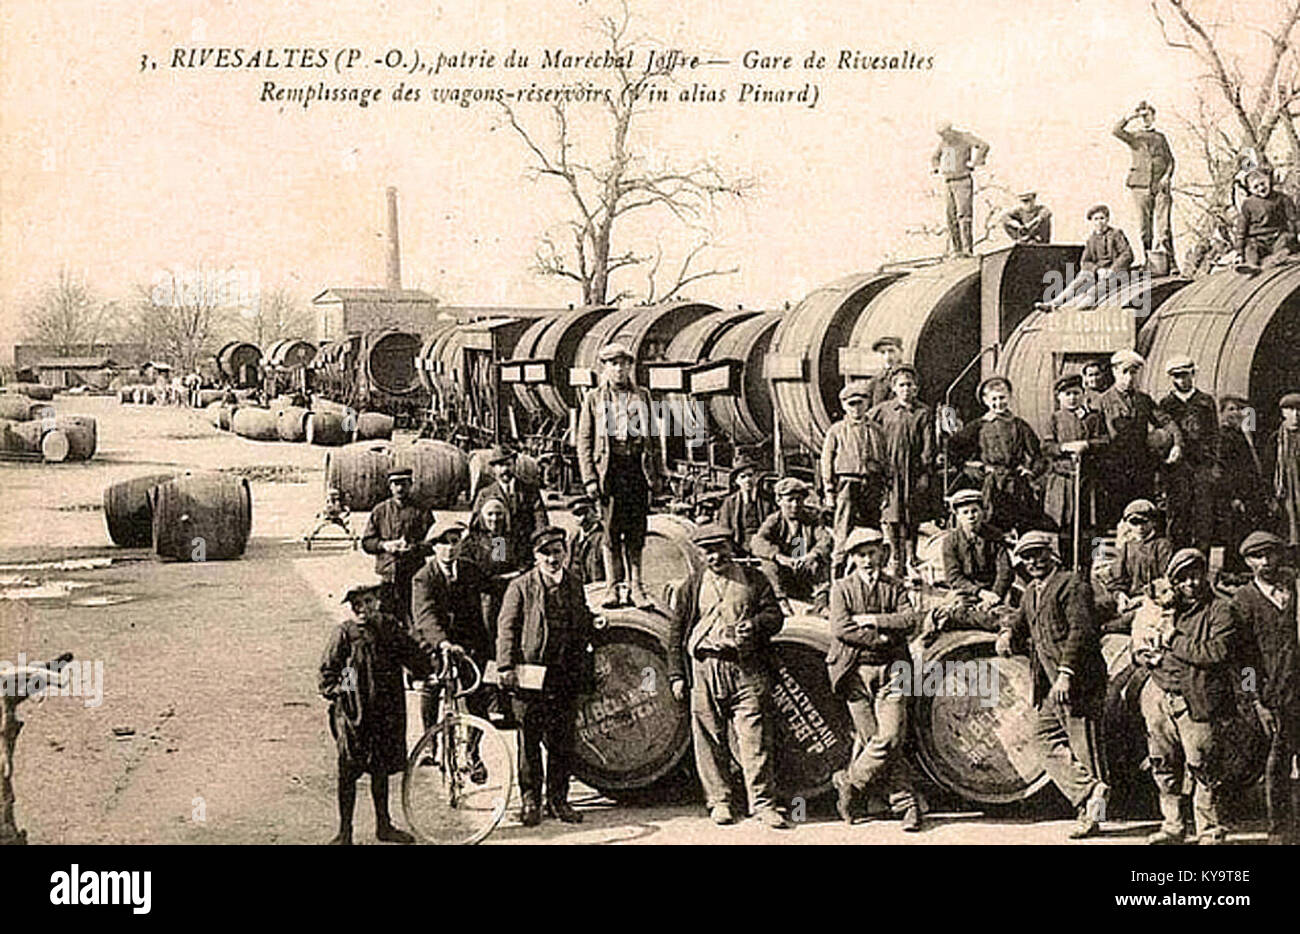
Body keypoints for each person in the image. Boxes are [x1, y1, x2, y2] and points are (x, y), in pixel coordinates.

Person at [666, 524, 790, 828]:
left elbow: (776, 617)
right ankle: (719, 801)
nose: (715, 556)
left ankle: (762, 803)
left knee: (754, 738)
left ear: (730, 548)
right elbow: (676, 632)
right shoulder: (691, 586)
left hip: (745, 667)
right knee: (708, 737)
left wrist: (756, 625)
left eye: (720, 548)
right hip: (705, 666)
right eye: (708, 551)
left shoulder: (754, 578)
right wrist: (676, 675)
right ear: (699, 554)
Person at [996, 531, 1109, 839]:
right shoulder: (1032, 590)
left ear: (1051, 554)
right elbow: (1021, 621)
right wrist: (1007, 633)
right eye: (1027, 557)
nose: (1034, 561)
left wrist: (1066, 672)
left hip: (1079, 681)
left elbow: (1081, 632)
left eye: (1038, 554)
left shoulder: (1071, 584)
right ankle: (1090, 791)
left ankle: (1093, 818)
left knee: (1086, 751)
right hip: (1051, 684)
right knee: (1041, 737)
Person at [495, 526, 596, 826]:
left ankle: (558, 800)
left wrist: (594, 624)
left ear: (565, 553)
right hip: (531, 674)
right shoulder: (521, 586)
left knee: (562, 741)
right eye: (546, 553)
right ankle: (530, 800)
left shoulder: (574, 583)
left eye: (557, 552)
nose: (553, 559)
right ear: (536, 556)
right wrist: (505, 666)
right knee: (529, 740)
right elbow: (507, 628)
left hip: (565, 674)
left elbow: (582, 621)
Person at [319, 581, 432, 845]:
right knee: (348, 770)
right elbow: (328, 673)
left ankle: (384, 825)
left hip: (386, 711)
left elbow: (412, 656)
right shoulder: (344, 634)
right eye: (356, 605)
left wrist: (426, 672)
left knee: (380, 769)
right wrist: (347, 691)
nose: (362, 609)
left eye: (368, 602)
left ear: (377, 602)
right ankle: (344, 832)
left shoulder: (390, 628)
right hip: (353, 715)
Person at [1139, 549, 1240, 845]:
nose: (1190, 584)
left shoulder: (1220, 610)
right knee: (1163, 764)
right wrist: (1143, 654)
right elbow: (1144, 637)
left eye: (1195, 575)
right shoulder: (1166, 607)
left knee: (1203, 766)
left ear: (1204, 574)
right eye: (1182, 579)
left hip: (1196, 698)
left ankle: (1209, 829)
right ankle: (1173, 826)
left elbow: (1216, 653)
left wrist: (1174, 639)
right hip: (1159, 695)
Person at [826, 528, 924, 830]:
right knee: (873, 741)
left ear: (882, 554)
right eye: (861, 555)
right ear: (853, 559)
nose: (868, 560)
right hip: (855, 672)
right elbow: (841, 628)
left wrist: (873, 620)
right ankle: (906, 805)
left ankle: (850, 782)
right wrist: (882, 639)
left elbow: (910, 620)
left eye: (872, 553)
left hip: (893, 670)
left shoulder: (894, 586)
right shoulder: (841, 588)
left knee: (891, 736)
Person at [576, 342, 662, 610]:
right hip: (610, 472)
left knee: (635, 532)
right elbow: (584, 440)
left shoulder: (643, 396)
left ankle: (636, 587)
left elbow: (654, 439)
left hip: (635, 468)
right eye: (614, 364)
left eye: (624, 364)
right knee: (611, 532)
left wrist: (658, 474)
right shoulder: (594, 398)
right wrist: (590, 477)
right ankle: (612, 586)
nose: (620, 369)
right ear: (605, 367)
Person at [1229, 530, 1299, 845]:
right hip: (1272, 696)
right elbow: (1243, 658)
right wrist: (1255, 700)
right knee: (1277, 764)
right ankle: (1280, 831)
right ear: (1247, 562)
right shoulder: (1244, 599)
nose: (1266, 562)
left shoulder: (1294, 590)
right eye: (1258, 557)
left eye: (1271, 554)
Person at [410, 520, 492, 764]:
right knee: (431, 687)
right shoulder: (424, 578)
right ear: (434, 548)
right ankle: (430, 745)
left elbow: (492, 586)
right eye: (443, 543)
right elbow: (425, 616)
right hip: (435, 644)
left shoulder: (470, 569)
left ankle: (473, 753)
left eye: (454, 542)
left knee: (476, 697)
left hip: (467, 643)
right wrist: (443, 643)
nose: (449, 548)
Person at [1095, 350, 1183, 530]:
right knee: (1113, 521)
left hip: (1141, 469)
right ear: (1114, 372)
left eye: (1134, 372)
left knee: (1142, 517)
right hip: (1113, 471)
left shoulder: (1144, 400)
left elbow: (1166, 421)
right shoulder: (1102, 402)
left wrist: (1177, 444)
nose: (1129, 378)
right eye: (1124, 372)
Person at [949, 376, 1043, 533]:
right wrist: (971, 466)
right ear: (985, 401)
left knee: (1021, 523)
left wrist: (1029, 470)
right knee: (991, 523)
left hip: (1015, 483)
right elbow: (954, 447)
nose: (999, 403)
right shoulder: (979, 426)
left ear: (1009, 397)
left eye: (1002, 398)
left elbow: (1037, 454)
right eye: (994, 399)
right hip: (990, 483)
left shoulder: (1019, 425)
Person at [869, 364, 935, 576]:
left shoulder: (923, 412)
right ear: (894, 388)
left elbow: (928, 445)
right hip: (890, 472)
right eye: (902, 385)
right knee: (892, 515)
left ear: (916, 388)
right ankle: (896, 556)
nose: (906, 389)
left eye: (910, 385)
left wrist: (925, 473)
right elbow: (866, 426)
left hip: (913, 471)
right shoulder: (883, 410)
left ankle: (911, 556)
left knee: (912, 516)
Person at [821, 379, 890, 576]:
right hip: (847, 484)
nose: (856, 408)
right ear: (844, 405)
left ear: (867, 404)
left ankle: (874, 573)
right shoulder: (837, 430)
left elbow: (884, 461)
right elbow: (826, 461)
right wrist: (829, 491)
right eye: (851, 404)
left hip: (872, 485)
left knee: (872, 530)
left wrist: (886, 489)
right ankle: (837, 575)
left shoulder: (877, 430)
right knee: (843, 530)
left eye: (860, 403)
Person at [1041, 373, 1109, 565]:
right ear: (1059, 397)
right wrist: (1064, 447)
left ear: (1083, 394)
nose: (1072, 398)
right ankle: (1066, 564)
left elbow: (1105, 441)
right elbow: (1046, 447)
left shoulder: (1093, 418)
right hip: (1063, 483)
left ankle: (1093, 564)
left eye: (1076, 393)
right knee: (1065, 526)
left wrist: (1087, 444)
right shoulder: (1054, 419)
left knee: (1092, 526)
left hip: (1088, 481)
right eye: (1067, 394)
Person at [1156, 356, 1220, 552]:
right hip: (1176, 469)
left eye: (1185, 375)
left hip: (1201, 467)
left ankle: (1201, 562)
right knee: (1177, 515)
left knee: (1203, 517)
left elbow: (1214, 435)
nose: (1182, 380)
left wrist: (1213, 465)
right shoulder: (1166, 404)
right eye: (1177, 376)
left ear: (1193, 374)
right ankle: (1178, 562)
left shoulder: (1205, 401)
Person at [361, 468, 433, 628]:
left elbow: (434, 543)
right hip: (388, 576)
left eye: (404, 484)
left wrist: (413, 548)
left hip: (413, 575)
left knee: (415, 619)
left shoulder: (422, 511)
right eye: (396, 484)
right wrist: (384, 545)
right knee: (387, 621)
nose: (400, 488)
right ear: (390, 486)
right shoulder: (380, 511)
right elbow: (366, 542)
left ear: (411, 484)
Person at [750, 477, 834, 615]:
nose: (795, 505)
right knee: (768, 564)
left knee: (820, 561)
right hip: (784, 570)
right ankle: (781, 601)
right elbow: (757, 542)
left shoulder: (811, 518)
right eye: (790, 500)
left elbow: (825, 540)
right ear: (779, 501)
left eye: (799, 500)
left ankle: (821, 604)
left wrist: (812, 555)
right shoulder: (774, 520)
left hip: (804, 567)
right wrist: (778, 556)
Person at [937, 488, 1014, 631]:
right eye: (965, 512)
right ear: (958, 516)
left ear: (982, 513)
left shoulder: (995, 536)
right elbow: (954, 577)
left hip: (994, 591)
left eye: (974, 511)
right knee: (950, 614)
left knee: (1007, 614)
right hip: (966, 592)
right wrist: (979, 593)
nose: (971, 516)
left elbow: (1005, 571)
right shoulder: (950, 542)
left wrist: (994, 596)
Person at [1113, 100, 1177, 270]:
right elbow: (1116, 131)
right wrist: (1130, 117)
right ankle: (1150, 261)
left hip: (1160, 186)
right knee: (1144, 227)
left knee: (1164, 226)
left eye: (1148, 115)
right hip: (1140, 186)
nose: (1145, 119)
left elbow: (1170, 160)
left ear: (1153, 117)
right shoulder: (1134, 137)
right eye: (1142, 116)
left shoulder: (1160, 137)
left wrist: (1167, 176)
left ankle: (1171, 262)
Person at [1036, 205, 1134, 309]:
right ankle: (1054, 303)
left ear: (1107, 219)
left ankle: (1073, 310)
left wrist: (1112, 270)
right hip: (1099, 274)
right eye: (1096, 219)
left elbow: (1127, 254)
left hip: (1116, 274)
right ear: (1092, 221)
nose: (1099, 222)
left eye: (1102, 218)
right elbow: (1085, 261)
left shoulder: (1116, 234)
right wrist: (1097, 270)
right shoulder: (1091, 239)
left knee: (1094, 292)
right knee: (1079, 281)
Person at [1217, 396, 1273, 573]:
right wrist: (1233, 496)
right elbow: (1224, 471)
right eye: (1231, 409)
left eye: (1240, 410)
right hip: (1235, 495)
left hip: (1248, 494)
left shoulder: (1241, 434)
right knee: (1234, 534)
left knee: (1245, 530)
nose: (1236, 413)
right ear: (1222, 413)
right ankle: (1232, 572)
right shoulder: (1223, 437)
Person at [1098, 499, 1174, 624]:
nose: (1140, 527)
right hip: (1129, 598)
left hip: (1152, 600)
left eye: (1144, 522)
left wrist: (1144, 598)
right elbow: (1118, 579)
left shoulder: (1162, 546)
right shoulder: (1127, 547)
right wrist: (1120, 596)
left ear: (1153, 522)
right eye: (1134, 523)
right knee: (1094, 606)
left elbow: (1166, 582)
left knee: (1124, 620)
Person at [472, 444, 548, 560]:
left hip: (525, 550)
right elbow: (475, 528)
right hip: (498, 549)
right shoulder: (485, 493)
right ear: (493, 469)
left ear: (515, 466)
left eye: (508, 464)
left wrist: (540, 547)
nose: (505, 470)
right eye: (500, 465)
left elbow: (540, 520)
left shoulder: (529, 490)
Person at [931, 122, 990, 256]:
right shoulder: (945, 143)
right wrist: (935, 166)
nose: (943, 138)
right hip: (948, 182)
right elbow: (935, 156)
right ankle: (957, 250)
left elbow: (983, 146)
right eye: (941, 136)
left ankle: (967, 249)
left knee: (963, 215)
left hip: (962, 181)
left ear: (950, 130)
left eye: (945, 134)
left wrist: (975, 162)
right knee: (951, 217)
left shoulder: (964, 137)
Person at [1233, 167, 1299, 270]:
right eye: (1256, 187)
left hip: (1278, 236)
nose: (1261, 188)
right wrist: (1239, 252)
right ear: (1250, 190)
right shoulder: (1248, 204)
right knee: (1251, 248)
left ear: (1268, 180)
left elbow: (1294, 219)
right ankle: (1251, 265)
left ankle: (1279, 257)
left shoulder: (1282, 198)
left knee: (1287, 239)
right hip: (1260, 240)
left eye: (1262, 183)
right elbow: (1241, 229)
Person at [716, 455, 773, 555]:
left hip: (764, 547)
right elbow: (724, 529)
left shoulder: (768, 501)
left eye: (750, 475)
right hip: (739, 546)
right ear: (736, 481)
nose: (747, 480)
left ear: (756, 477)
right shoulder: (730, 503)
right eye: (743, 477)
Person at [1270, 392, 1300, 553]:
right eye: (1290, 410)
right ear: (1283, 412)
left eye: (1298, 410)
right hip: (1286, 493)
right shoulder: (1276, 438)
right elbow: (1270, 467)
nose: (1295, 415)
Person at [566, 496, 606, 584]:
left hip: (595, 586)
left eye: (585, 512)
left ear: (594, 513)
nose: (582, 517)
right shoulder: (572, 537)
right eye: (577, 514)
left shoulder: (603, 537)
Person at [867, 336, 906, 409]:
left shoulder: (907, 376)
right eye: (882, 352)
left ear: (901, 352)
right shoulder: (876, 380)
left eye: (891, 351)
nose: (887, 357)